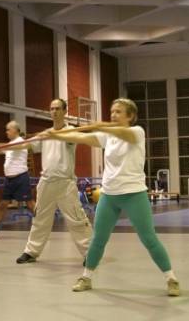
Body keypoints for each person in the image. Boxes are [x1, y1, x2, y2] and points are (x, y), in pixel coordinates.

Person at [42, 98, 179, 296]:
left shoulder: (136, 132)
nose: (113, 115)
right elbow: (81, 138)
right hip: (109, 195)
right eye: (112, 111)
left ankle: (171, 279)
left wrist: (100, 126)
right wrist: (57, 134)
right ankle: (86, 277)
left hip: (134, 194)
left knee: (149, 238)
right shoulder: (108, 137)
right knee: (98, 239)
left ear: (130, 116)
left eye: (118, 112)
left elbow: (119, 132)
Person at [11, 99, 92, 264]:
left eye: (57, 109)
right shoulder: (45, 134)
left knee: (76, 219)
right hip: (46, 183)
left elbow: (69, 139)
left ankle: (90, 253)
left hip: (65, 183)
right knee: (40, 218)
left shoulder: (71, 131)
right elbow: (27, 146)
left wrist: (49, 135)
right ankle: (31, 251)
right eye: (51, 109)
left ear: (65, 111)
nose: (54, 112)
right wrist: (5, 145)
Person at [0, 121, 36, 239]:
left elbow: (8, 147)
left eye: (8, 129)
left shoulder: (20, 141)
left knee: (30, 204)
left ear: (16, 130)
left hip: (21, 177)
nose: (6, 132)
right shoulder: (9, 144)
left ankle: (42, 225)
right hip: (9, 180)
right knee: (2, 205)